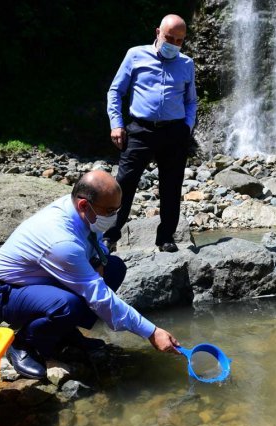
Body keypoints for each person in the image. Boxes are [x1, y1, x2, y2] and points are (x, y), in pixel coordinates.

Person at [0, 171, 180, 380]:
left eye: (118, 209)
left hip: (43, 280)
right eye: (110, 211)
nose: (115, 216)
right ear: (84, 205)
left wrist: (99, 260)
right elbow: (98, 296)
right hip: (6, 292)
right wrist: (151, 332)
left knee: (114, 268)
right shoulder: (60, 240)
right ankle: (23, 344)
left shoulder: (80, 212)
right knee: (67, 305)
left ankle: (65, 335)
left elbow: (95, 244)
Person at [105, 14, 198, 253]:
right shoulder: (135, 55)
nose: (174, 44)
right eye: (170, 37)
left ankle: (166, 237)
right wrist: (117, 124)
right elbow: (115, 91)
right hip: (140, 129)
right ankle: (109, 236)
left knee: (172, 185)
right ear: (158, 32)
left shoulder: (187, 63)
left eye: (179, 40)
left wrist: (187, 127)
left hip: (175, 132)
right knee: (123, 184)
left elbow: (191, 101)